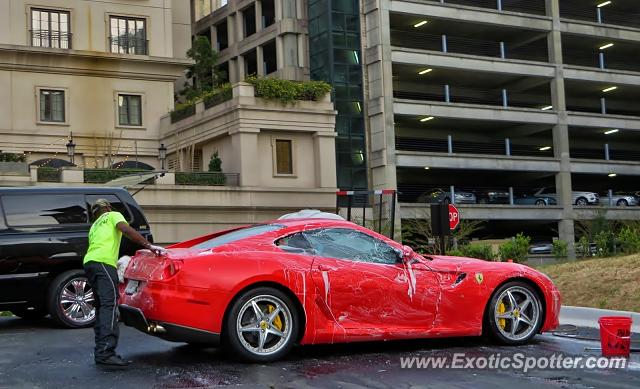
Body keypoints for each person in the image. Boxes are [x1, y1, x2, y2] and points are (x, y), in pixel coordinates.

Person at [84, 198, 165, 366]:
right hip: (104, 263)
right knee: (109, 305)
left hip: (90, 264)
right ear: (107, 207)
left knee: (101, 307)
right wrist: (149, 245)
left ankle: (101, 351)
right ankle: (106, 353)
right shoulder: (113, 215)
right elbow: (126, 230)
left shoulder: (94, 226)